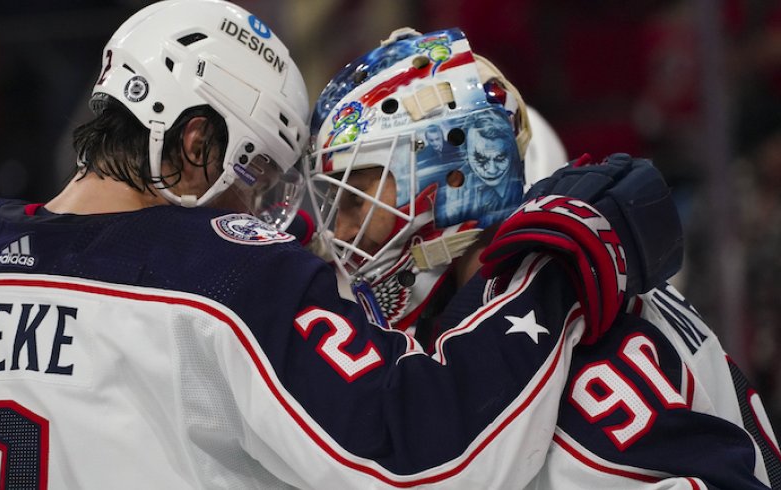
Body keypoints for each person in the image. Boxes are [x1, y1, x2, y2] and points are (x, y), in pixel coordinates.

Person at [0, 3, 683, 489]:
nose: (263, 210)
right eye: (257, 172)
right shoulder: (221, 273)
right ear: (195, 140)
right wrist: (555, 274)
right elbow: (423, 460)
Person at [305, 27, 780, 488]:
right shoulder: (522, 300)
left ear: (452, 181)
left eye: (355, 198)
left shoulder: (583, 337)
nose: (342, 233)